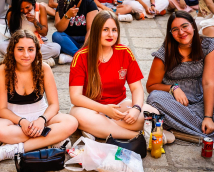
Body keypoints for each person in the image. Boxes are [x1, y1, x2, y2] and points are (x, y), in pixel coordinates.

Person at [146, 11, 214, 142]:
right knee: (155, 99)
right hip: (175, 102)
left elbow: (209, 83)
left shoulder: (208, 45)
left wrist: (208, 117)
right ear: (171, 33)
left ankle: (185, 129)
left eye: (184, 26)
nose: (181, 32)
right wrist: (173, 88)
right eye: (175, 30)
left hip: (202, 98)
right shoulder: (165, 53)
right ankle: (210, 132)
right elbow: (151, 86)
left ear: (193, 25)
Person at [69, 10, 162, 141]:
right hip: (91, 109)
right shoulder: (81, 57)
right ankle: (138, 136)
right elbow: (75, 97)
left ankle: (99, 130)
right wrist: (104, 110)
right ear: (96, 31)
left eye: (114, 30)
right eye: (105, 29)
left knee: (153, 114)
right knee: (78, 116)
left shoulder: (125, 52)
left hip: (119, 106)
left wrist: (136, 109)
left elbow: (136, 88)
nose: (110, 35)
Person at [0, 30, 78, 162]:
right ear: (12, 50)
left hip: (41, 115)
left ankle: (18, 149)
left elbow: (54, 105)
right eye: (20, 49)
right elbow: (2, 110)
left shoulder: (44, 68)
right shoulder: (3, 70)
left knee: (71, 122)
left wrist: (42, 120)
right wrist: (22, 121)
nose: (26, 54)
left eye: (30, 49)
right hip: (14, 118)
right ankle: (53, 139)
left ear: (36, 50)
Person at [0, 0, 61, 67]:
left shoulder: (40, 8)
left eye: (27, 7)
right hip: (20, 43)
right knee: (2, 46)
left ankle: (19, 61)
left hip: (37, 42)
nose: (25, 11)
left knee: (56, 48)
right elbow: (13, 35)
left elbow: (44, 33)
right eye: (21, 9)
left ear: (32, 2)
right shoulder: (12, 13)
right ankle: (39, 61)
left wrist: (35, 21)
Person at [52, 0, 98, 64]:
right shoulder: (62, 3)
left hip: (86, 39)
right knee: (56, 36)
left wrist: (85, 47)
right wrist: (67, 16)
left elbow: (91, 29)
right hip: (69, 40)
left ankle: (73, 56)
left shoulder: (90, 4)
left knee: (100, 37)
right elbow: (60, 29)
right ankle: (82, 57)